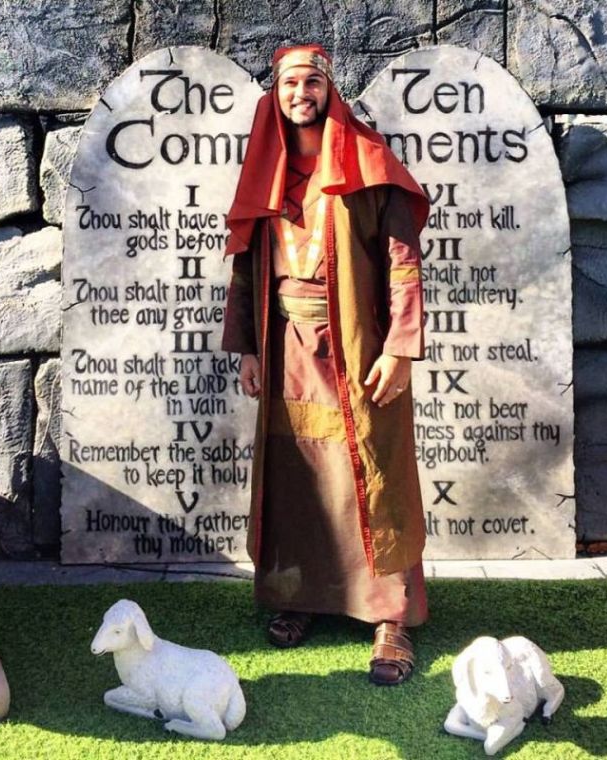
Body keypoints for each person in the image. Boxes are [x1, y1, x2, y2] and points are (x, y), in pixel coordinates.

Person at [221, 44, 429, 686]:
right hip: (284, 342)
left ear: (329, 90)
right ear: (275, 92)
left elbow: (402, 260)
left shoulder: (368, 163)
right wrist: (249, 348)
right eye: (289, 81)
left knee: (373, 468)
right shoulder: (267, 167)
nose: (300, 91)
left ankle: (391, 617)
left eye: (312, 80)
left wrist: (400, 346)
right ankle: (300, 595)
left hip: (358, 349)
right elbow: (247, 264)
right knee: (298, 472)